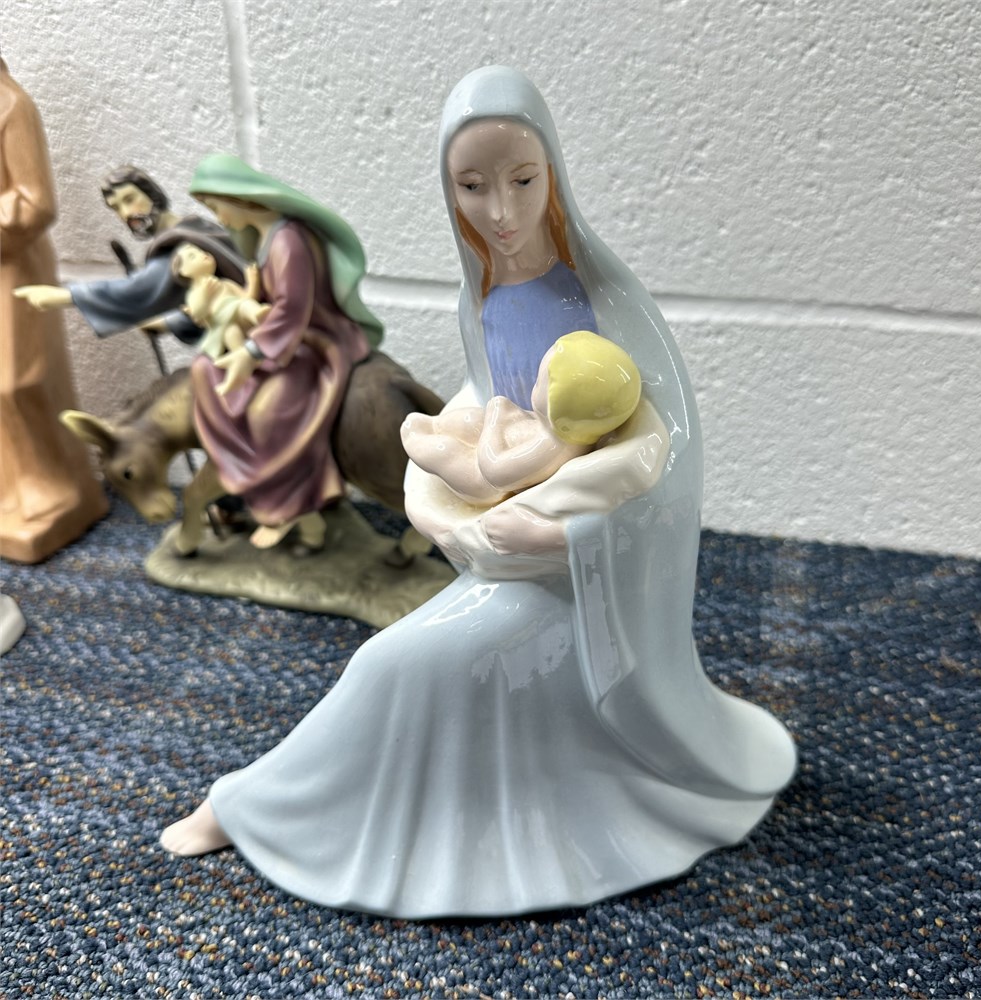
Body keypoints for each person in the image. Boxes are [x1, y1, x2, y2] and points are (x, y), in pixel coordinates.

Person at [160, 68, 796, 919]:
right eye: (473, 185)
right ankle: (276, 805)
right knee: (413, 659)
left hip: (580, 582)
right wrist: (434, 499)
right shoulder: (484, 296)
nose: (501, 209)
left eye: (523, 180)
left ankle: (248, 802)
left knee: (395, 660)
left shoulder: (603, 300)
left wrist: (567, 539)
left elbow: (664, 460)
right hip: (505, 547)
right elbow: (479, 399)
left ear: (554, 175)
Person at [180, 154, 383, 550]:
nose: (219, 218)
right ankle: (242, 468)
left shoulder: (289, 239)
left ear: (238, 197)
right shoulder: (267, 240)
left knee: (268, 414)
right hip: (282, 339)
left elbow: (292, 308)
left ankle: (288, 505)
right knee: (204, 368)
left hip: (313, 342)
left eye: (216, 207)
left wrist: (252, 351)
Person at [0, 58, 107, 564]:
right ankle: (12, 488)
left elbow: (35, 202)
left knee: (18, 380)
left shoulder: (11, 106)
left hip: (13, 264)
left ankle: (54, 487)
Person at [401, 329, 643, 506]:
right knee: (470, 421)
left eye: (538, 383)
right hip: (500, 441)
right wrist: (507, 417)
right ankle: (434, 423)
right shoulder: (569, 431)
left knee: (446, 450)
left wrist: (496, 419)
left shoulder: (551, 446)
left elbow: (494, 470)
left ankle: (414, 436)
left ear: (560, 416)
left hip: (483, 482)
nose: (533, 385)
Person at [14, 164, 246, 345]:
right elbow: (203, 308)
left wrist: (64, 296)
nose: (126, 213)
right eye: (116, 208)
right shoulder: (193, 231)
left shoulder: (181, 242)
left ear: (152, 195)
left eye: (129, 199)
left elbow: (140, 289)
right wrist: (170, 323)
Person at [171, 241, 271, 361]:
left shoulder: (225, 283)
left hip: (240, 312)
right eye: (193, 256)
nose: (203, 254)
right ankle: (243, 357)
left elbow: (247, 297)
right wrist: (204, 296)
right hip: (223, 324)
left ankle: (259, 316)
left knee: (246, 305)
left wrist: (253, 282)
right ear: (184, 272)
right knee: (231, 333)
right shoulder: (194, 294)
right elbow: (198, 313)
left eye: (201, 251)